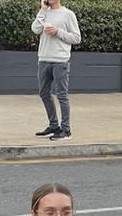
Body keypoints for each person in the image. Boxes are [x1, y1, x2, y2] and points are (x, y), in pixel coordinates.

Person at [31, 0, 81, 141]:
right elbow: (35, 29)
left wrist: (58, 31)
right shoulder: (44, 13)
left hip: (60, 60)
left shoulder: (68, 14)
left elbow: (77, 38)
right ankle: (53, 126)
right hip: (43, 59)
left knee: (61, 95)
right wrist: (42, 10)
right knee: (44, 93)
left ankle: (66, 130)